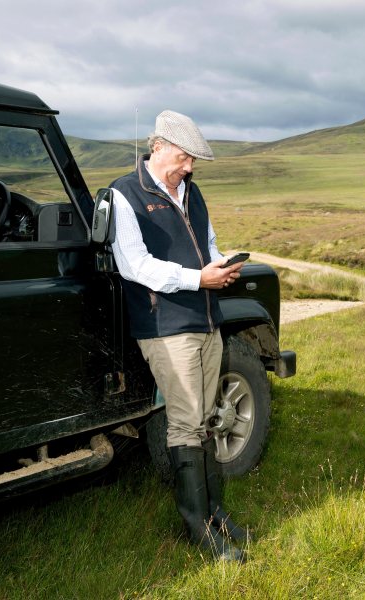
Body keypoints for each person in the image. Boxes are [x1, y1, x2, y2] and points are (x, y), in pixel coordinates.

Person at [110, 110, 248, 562]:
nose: (189, 168)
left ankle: (215, 513)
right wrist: (198, 280)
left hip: (207, 321)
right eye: (185, 157)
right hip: (167, 328)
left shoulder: (193, 191)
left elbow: (208, 245)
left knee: (207, 417)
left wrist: (224, 265)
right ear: (159, 147)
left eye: (193, 161)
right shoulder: (123, 194)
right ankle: (199, 530)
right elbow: (135, 266)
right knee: (186, 422)